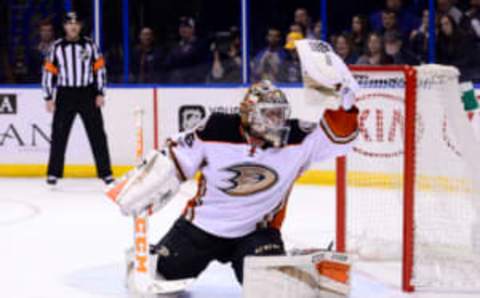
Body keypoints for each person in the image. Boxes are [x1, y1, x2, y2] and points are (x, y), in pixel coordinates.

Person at [108, 76, 359, 287]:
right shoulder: (215, 129)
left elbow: (340, 139)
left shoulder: (298, 138)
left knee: (273, 289)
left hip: (257, 233)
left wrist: (346, 106)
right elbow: (175, 159)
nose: (278, 122)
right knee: (156, 277)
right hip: (200, 228)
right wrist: (147, 181)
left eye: (280, 114)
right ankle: (151, 256)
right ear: (250, 115)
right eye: (269, 115)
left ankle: (293, 260)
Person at [42, 12, 113, 186]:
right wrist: (48, 96)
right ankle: (53, 173)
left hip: (87, 93)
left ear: (80, 26)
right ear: (65, 27)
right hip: (65, 94)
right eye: (69, 23)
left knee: (97, 134)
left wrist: (100, 92)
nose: (73, 27)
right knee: (59, 134)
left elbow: (100, 70)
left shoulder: (90, 45)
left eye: (76, 23)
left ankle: (105, 173)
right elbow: (48, 72)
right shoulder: (57, 47)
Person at [164, 17, 209, 83]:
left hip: (194, 85)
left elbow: (201, 66)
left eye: (186, 27)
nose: (183, 29)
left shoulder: (201, 45)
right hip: (175, 84)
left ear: (193, 29)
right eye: (181, 27)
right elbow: (168, 64)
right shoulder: (174, 46)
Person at [437, 14, 480, 81]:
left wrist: (449, 68)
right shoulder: (442, 41)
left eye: (446, 24)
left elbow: (466, 60)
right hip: (453, 71)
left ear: (452, 23)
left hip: (469, 70)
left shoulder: (465, 38)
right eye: (442, 25)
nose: (444, 27)